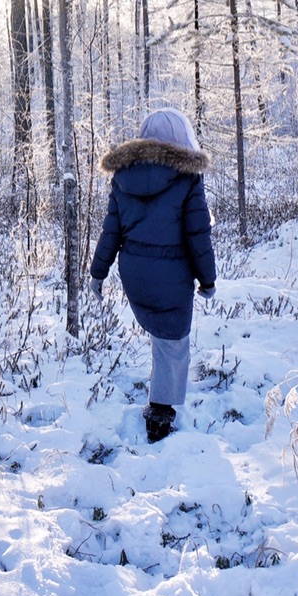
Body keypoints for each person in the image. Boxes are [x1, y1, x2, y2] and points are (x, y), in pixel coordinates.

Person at [88, 108, 217, 443]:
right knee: (174, 345)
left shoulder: (122, 176)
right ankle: (160, 413)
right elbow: (197, 234)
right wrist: (208, 280)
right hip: (172, 275)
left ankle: (161, 399)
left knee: (162, 339)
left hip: (135, 275)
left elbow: (110, 231)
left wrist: (98, 273)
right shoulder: (188, 178)